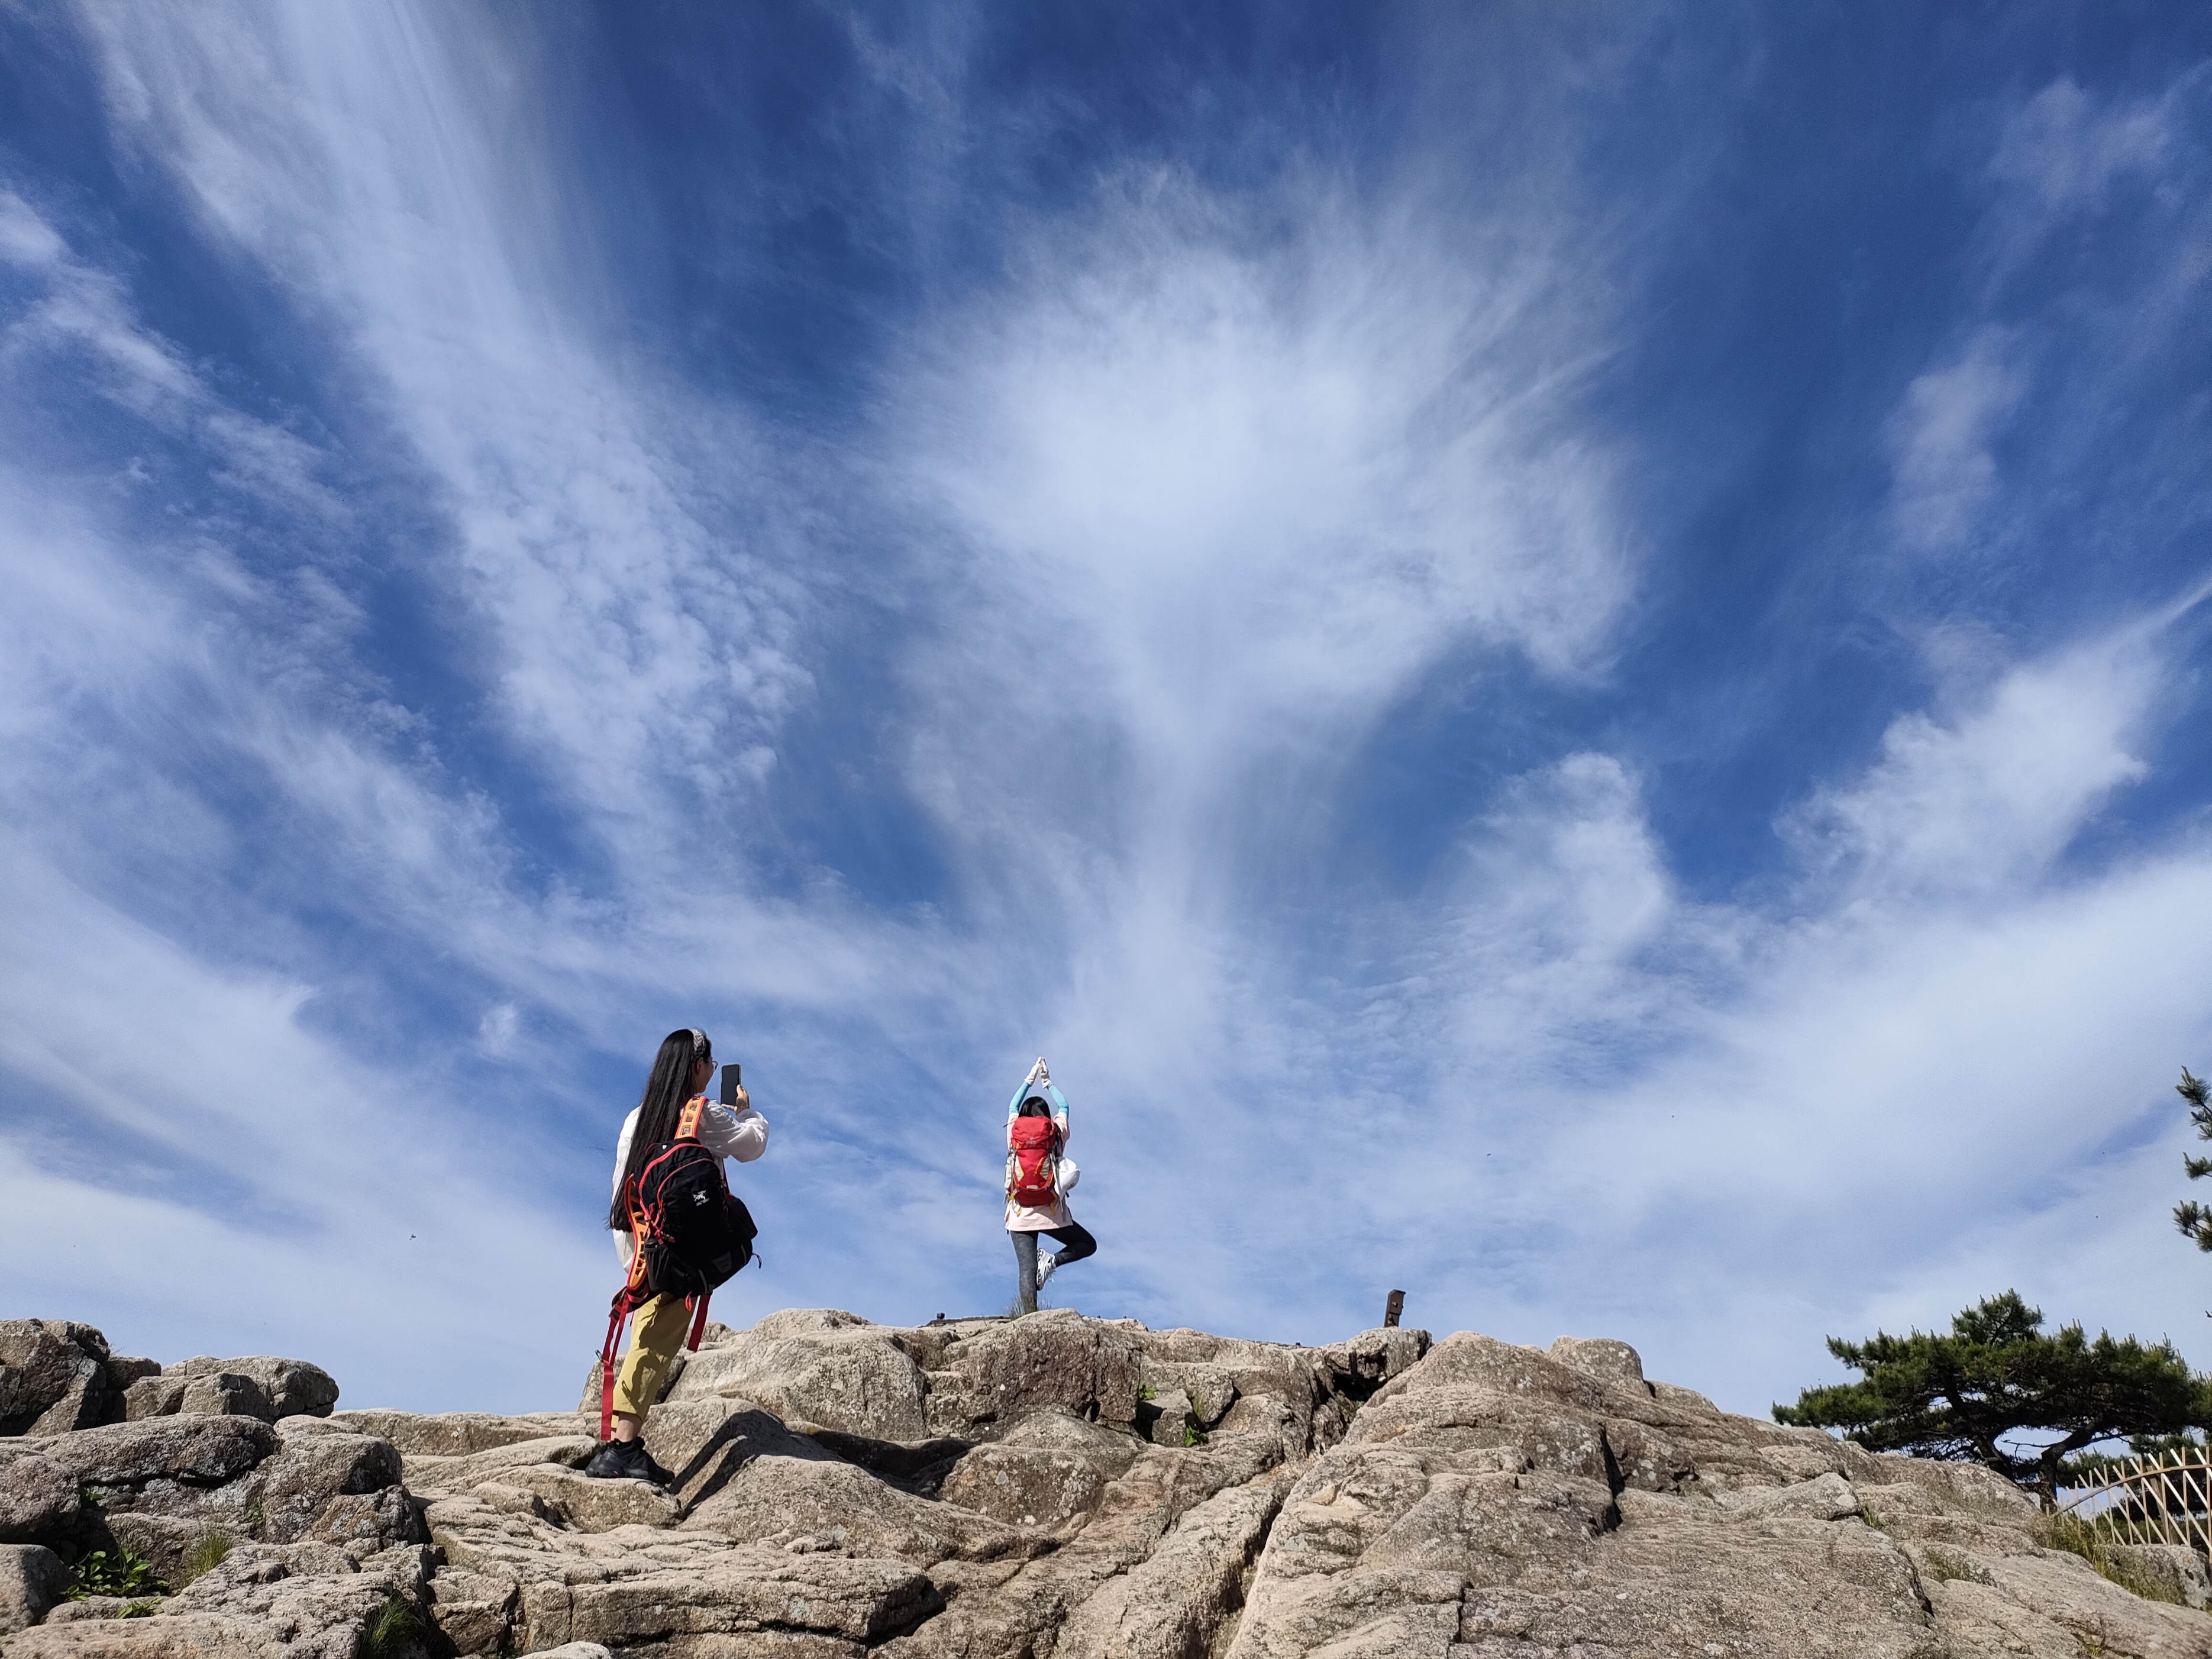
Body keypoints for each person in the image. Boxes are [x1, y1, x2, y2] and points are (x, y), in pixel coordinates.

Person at [587, 1027, 767, 1483]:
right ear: (697, 1066)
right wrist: (748, 1112)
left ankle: (620, 1443)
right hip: (676, 1250)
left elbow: (619, 1185)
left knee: (649, 1330)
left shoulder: (636, 1117)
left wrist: (630, 1254)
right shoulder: (700, 1114)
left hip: (640, 1241)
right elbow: (752, 1146)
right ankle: (622, 1448)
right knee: (657, 1336)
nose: (711, 1069)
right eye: (709, 1062)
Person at [1005, 1056, 1095, 1313]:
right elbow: (1064, 1105)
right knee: (1087, 1244)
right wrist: (1048, 1082)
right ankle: (1053, 1261)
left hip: (1020, 1212)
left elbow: (1013, 1104)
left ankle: (1027, 1320)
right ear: (1045, 1117)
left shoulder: (1013, 1133)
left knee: (1026, 1270)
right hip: (1051, 1210)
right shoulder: (1056, 1131)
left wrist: (1029, 1079)